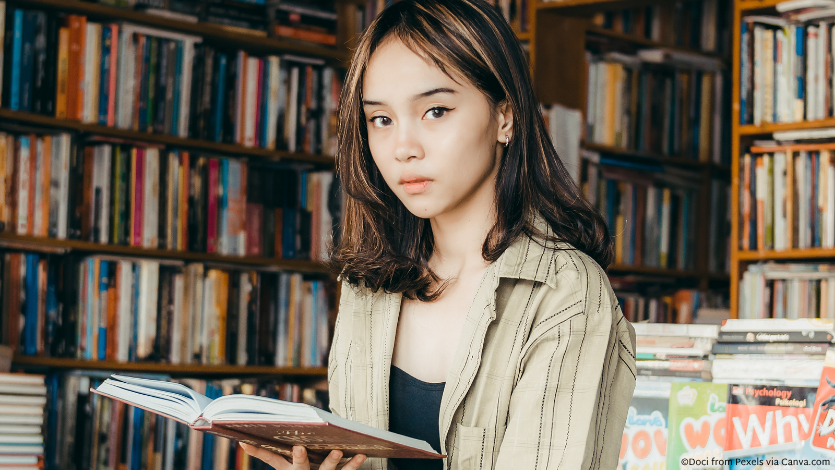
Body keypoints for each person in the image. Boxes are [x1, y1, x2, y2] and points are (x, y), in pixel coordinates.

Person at [241, 0, 637, 469]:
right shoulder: (368, 283)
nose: (404, 148)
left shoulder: (564, 292)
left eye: (435, 111)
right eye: (381, 120)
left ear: (504, 117)